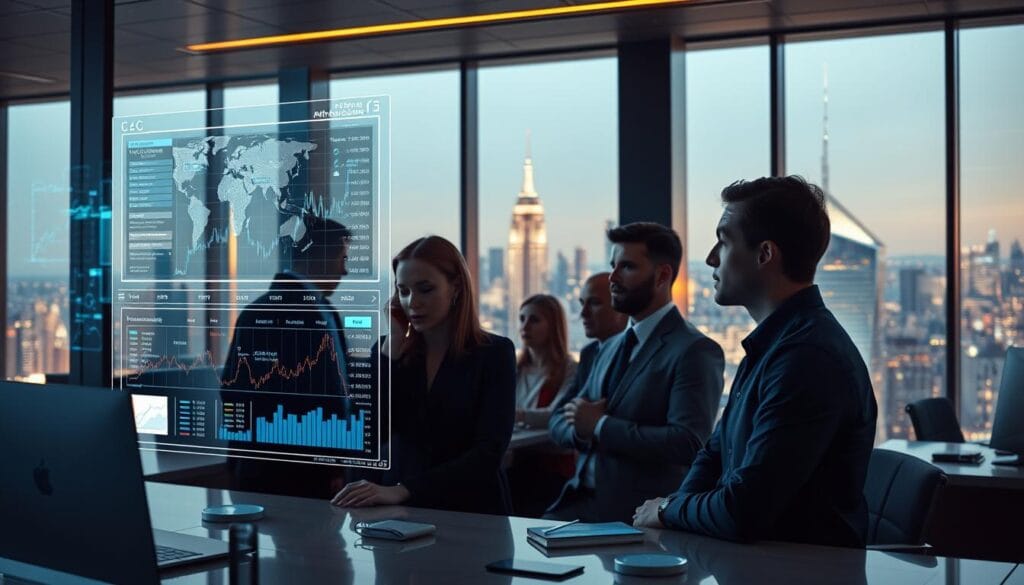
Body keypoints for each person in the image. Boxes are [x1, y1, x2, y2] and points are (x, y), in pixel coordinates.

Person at [632, 176, 878, 548]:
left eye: (724, 241)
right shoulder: (774, 344)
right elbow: (715, 452)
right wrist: (674, 508)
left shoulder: (808, 358)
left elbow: (744, 509)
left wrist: (667, 510)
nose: (711, 257)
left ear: (765, 254)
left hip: (797, 572)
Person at [546, 222, 725, 523]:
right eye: (613, 266)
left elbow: (687, 443)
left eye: (627, 267)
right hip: (574, 506)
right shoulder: (608, 347)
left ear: (663, 275)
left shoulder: (694, 350)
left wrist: (601, 426)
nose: (613, 278)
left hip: (635, 519)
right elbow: (557, 421)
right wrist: (581, 428)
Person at [331, 235, 516, 515]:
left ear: (455, 288)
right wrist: (391, 349)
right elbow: (365, 435)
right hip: (398, 513)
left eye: (425, 289)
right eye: (403, 291)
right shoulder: (389, 350)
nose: (412, 302)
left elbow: (487, 454)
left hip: (471, 510)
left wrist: (405, 489)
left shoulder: (494, 353)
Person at [221, 216, 352, 498]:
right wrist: (332, 465)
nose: (346, 270)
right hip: (294, 478)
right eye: (342, 258)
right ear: (321, 258)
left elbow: (230, 390)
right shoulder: (311, 314)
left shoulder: (318, 310)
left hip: (268, 471)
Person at [515, 294, 578, 429]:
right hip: (515, 446)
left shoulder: (569, 368)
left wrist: (514, 415)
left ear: (554, 326)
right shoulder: (516, 368)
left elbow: (558, 413)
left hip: (548, 448)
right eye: (522, 319)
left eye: (534, 320)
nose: (524, 326)